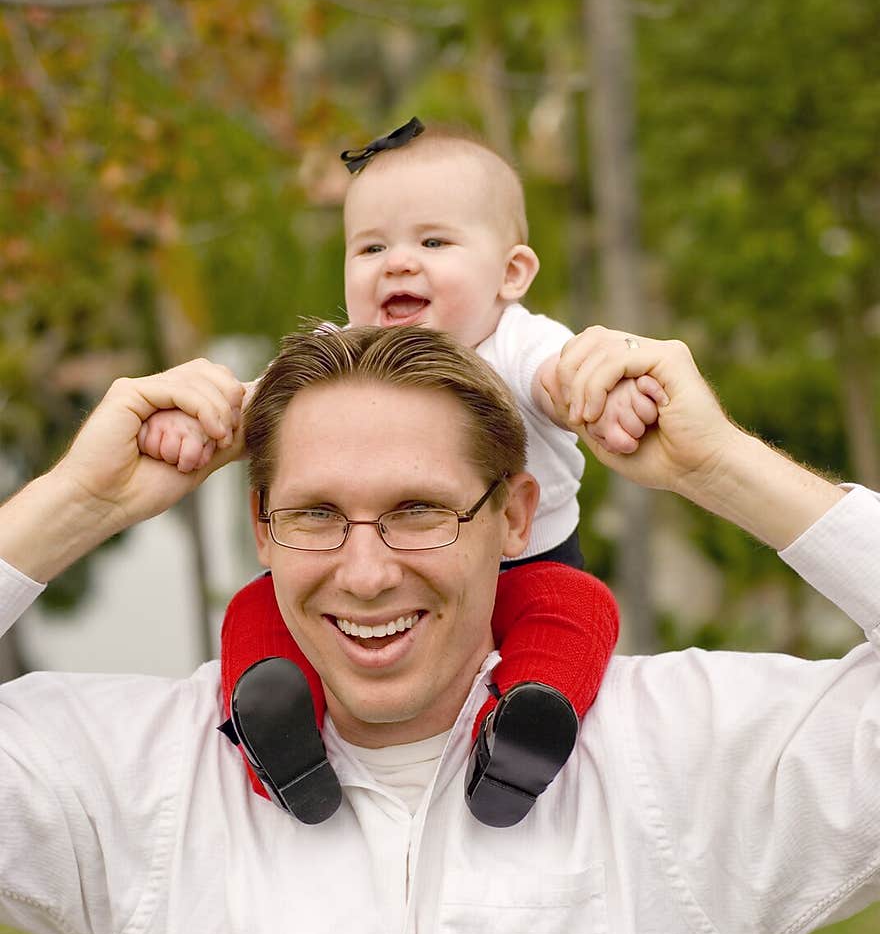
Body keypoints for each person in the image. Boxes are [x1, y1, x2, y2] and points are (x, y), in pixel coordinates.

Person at [1, 321, 878, 934]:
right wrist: (81, 499)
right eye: (315, 515)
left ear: (514, 517)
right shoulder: (142, 777)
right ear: (261, 529)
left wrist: (717, 465)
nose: (368, 571)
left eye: (419, 510)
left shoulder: (681, 757)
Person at [137, 118, 666, 827]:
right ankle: (276, 732)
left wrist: (609, 393)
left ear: (511, 273)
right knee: (254, 611)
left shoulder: (516, 341)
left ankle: (525, 726)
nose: (398, 262)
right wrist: (190, 423)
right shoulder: (338, 355)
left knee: (579, 610)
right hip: (380, 564)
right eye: (372, 246)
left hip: (532, 562)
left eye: (434, 242)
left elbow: (563, 379)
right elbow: (246, 412)